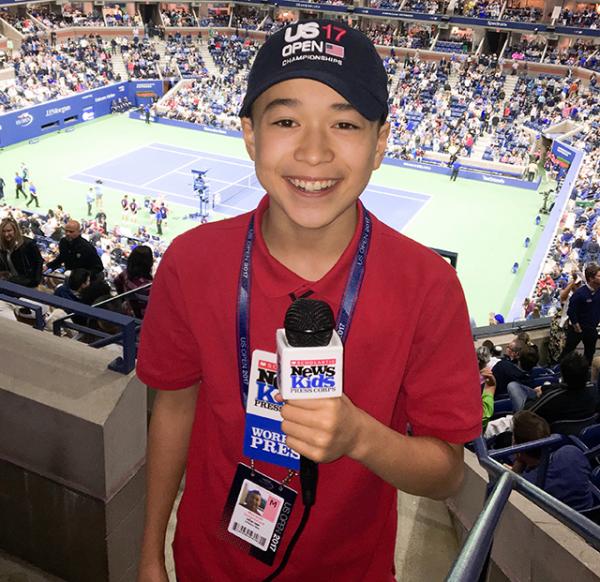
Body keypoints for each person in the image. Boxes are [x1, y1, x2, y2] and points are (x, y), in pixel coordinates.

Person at [136, 21, 481, 582]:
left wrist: (359, 436)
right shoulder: (190, 261)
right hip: (206, 562)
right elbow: (173, 407)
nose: (314, 151)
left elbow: (447, 475)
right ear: (250, 135)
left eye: (344, 123)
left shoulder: (427, 288)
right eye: (286, 120)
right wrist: (150, 550)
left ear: (381, 142)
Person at [510, 410, 594, 511]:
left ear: (517, 446)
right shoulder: (572, 452)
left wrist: (517, 466)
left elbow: (495, 495)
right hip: (590, 518)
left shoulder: (527, 486)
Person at [561, 262, 600, 363]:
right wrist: (576, 326)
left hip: (591, 328)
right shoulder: (580, 294)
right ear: (591, 279)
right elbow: (571, 310)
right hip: (577, 330)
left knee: (590, 353)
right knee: (568, 352)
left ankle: (586, 374)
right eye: (599, 276)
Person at [0, 217, 43, 288]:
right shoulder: (2, 247)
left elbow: (39, 261)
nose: (6, 234)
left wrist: (35, 282)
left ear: (15, 230)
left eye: (9, 231)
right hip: (10, 283)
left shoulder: (28, 244)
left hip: (26, 283)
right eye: (3, 231)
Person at [114, 245, 153, 318]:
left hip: (128, 311)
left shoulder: (126, 273)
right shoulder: (147, 286)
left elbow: (116, 281)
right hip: (138, 318)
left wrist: (123, 299)